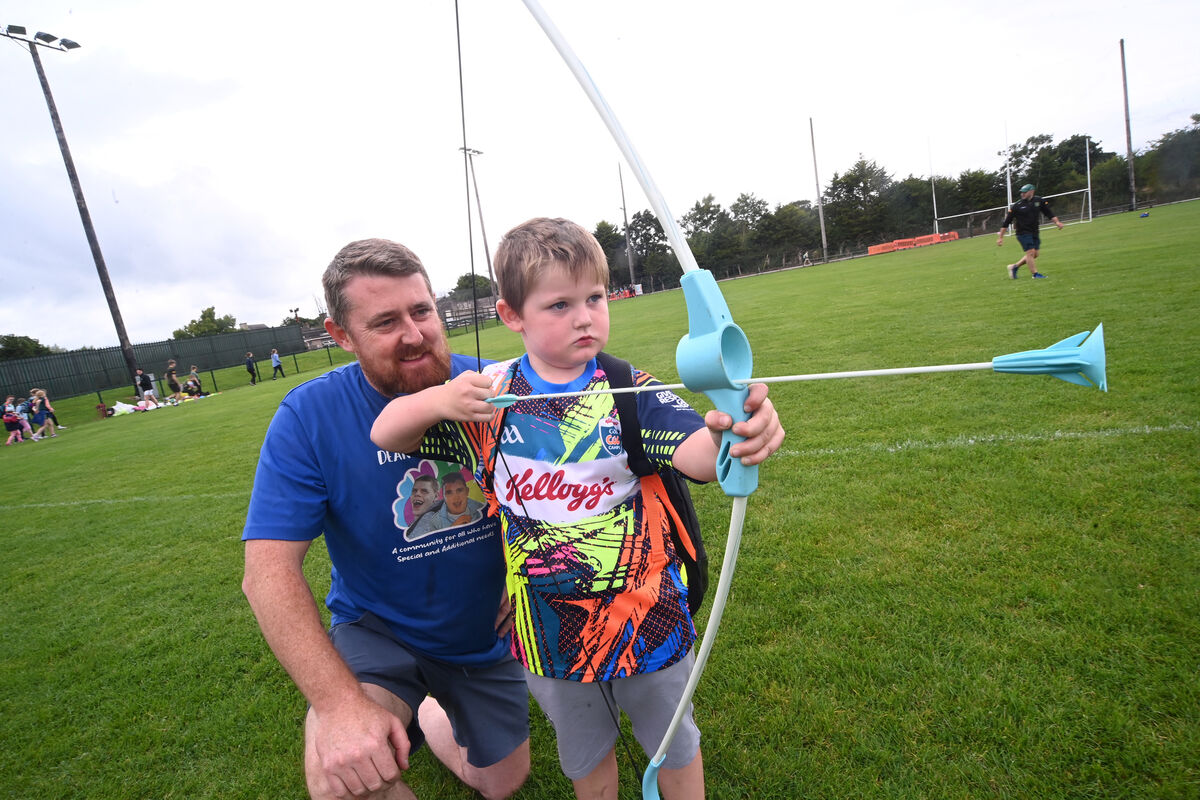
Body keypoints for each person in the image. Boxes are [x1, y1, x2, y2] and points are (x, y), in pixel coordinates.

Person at [371, 217, 785, 800]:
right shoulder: (487, 400)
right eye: (559, 304)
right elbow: (386, 433)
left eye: (594, 297)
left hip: (647, 621)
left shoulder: (627, 389)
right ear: (511, 314)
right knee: (586, 757)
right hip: (548, 632)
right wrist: (442, 397)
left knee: (673, 744)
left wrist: (737, 435)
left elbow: (697, 451)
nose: (585, 316)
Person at [241, 238, 530, 800]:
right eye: (385, 322)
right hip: (379, 632)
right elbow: (267, 574)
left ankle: (431, 709)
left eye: (421, 311)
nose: (415, 333)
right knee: (343, 775)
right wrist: (340, 706)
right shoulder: (308, 417)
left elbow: (581, 480)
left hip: (483, 633)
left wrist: (527, 575)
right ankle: (392, 698)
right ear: (341, 336)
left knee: (501, 784)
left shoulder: (497, 386)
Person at [998, 183, 1064, 279]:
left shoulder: (1039, 201)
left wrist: (1057, 222)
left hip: (1034, 231)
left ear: (1031, 191)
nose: (1022, 194)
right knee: (1030, 252)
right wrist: (1000, 237)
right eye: (1021, 192)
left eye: (1025, 192)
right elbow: (1006, 222)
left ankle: (1014, 267)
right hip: (1022, 233)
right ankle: (1035, 274)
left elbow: (1049, 213)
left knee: (1035, 254)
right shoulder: (1017, 206)